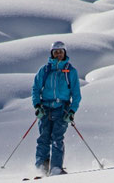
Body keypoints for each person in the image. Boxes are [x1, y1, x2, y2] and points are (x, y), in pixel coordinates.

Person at [32, 41, 81, 176]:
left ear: (65, 53)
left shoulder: (71, 71)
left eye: (61, 51)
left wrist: (72, 110)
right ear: (52, 53)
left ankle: (56, 168)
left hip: (62, 109)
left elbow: (76, 94)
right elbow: (36, 88)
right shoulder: (45, 70)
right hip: (45, 108)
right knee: (43, 138)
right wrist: (37, 105)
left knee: (57, 138)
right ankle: (41, 168)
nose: (58, 54)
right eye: (56, 51)